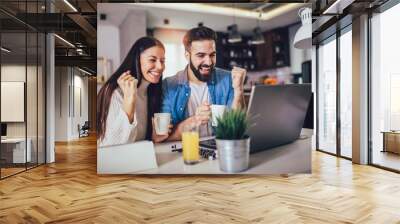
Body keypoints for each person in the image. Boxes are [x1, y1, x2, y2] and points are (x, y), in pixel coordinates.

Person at [161, 26, 246, 141]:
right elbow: (165, 137)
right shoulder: (169, 85)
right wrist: (195, 119)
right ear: (187, 55)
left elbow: (238, 128)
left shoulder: (228, 79)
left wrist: (239, 90)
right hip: (184, 152)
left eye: (212, 55)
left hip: (219, 148)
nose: (209, 62)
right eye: (201, 55)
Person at [97, 37, 171, 147]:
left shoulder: (151, 92)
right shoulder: (115, 92)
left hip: (138, 158)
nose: (160, 66)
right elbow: (112, 145)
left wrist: (153, 137)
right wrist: (129, 99)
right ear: (137, 59)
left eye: (162, 61)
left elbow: (138, 140)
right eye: (152, 60)